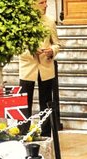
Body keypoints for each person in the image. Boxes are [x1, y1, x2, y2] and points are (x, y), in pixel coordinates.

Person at [18, 0, 61, 136]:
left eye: (46, 2)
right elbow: (18, 47)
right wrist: (31, 51)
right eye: (42, 2)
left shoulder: (50, 21)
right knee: (24, 102)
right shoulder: (23, 22)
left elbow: (57, 44)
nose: (46, 5)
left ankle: (47, 133)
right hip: (27, 67)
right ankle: (23, 133)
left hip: (46, 67)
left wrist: (52, 51)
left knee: (47, 102)